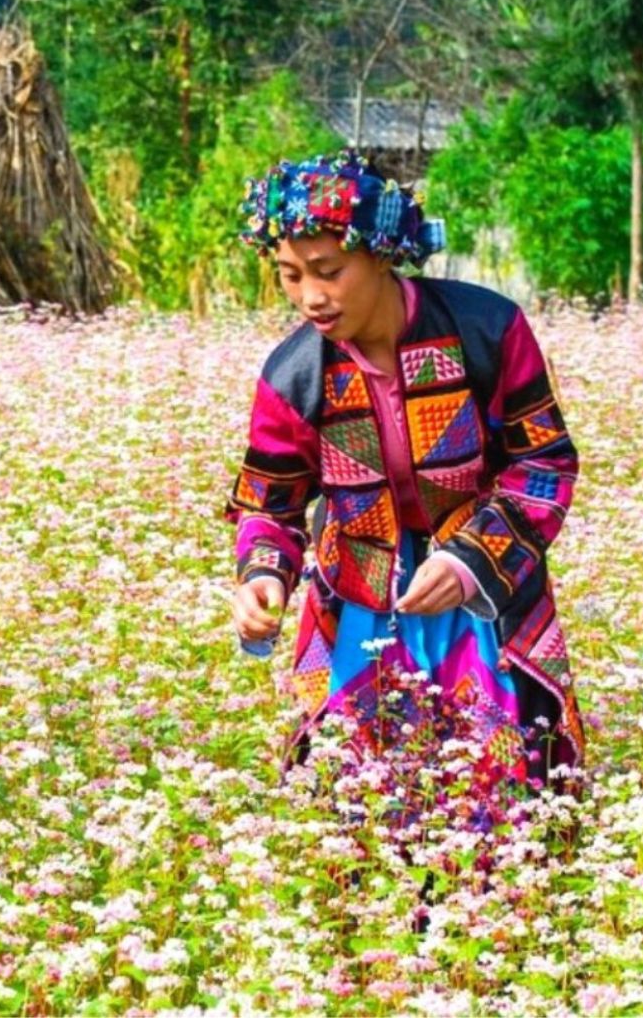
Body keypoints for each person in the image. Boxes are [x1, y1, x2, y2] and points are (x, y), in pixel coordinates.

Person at [225, 151, 584, 812]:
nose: (310, 296)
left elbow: (543, 462)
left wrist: (470, 560)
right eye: (289, 276)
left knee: (503, 786)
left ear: (383, 256)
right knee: (362, 795)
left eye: (329, 271)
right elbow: (270, 505)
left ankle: (498, 910)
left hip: (485, 596)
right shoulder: (293, 377)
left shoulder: (488, 329)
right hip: (362, 599)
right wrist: (263, 576)